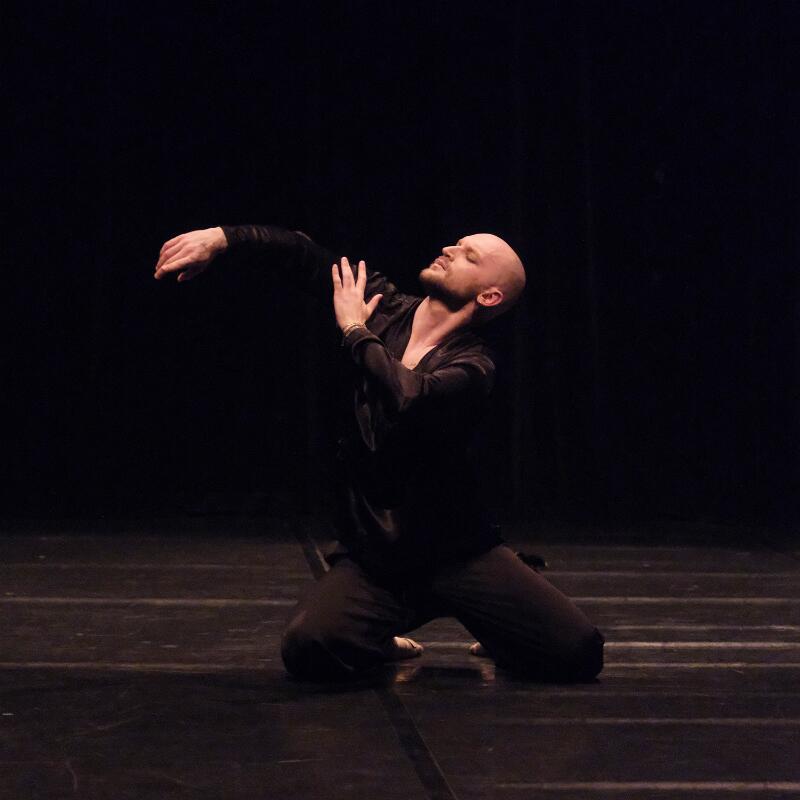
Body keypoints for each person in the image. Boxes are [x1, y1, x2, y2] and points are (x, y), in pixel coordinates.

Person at [154, 224, 604, 681]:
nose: (449, 249)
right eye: (456, 243)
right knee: (310, 646)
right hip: (381, 560)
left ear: (488, 296)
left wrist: (354, 329)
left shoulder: (474, 365)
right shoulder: (383, 306)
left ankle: (494, 623)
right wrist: (223, 238)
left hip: (460, 556)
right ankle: (382, 637)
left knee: (578, 652)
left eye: (469, 255)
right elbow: (305, 256)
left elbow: (409, 395)